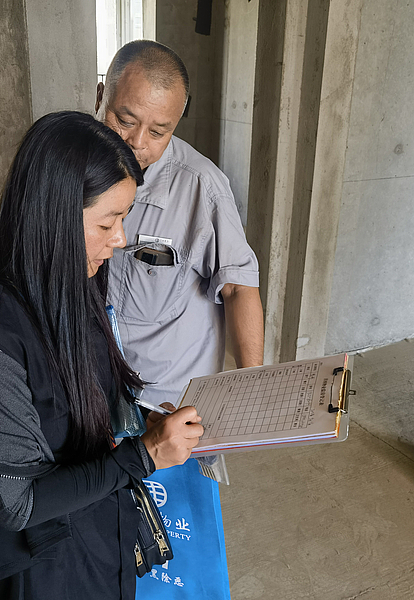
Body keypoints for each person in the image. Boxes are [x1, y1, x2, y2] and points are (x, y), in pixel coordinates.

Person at [0, 112, 203, 600]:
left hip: (101, 523)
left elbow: (83, 396)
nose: (120, 239)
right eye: (107, 222)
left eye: (124, 219)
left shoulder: (71, 280)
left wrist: (142, 421)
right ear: (54, 216)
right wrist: (145, 455)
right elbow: (18, 504)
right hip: (44, 563)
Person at [96, 40, 265, 414]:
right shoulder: (72, 168)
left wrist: (252, 389)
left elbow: (238, 286)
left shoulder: (202, 187)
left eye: (158, 132)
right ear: (99, 97)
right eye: (125, 121)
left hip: (164, 402)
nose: (138, 143)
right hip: (92, 386)